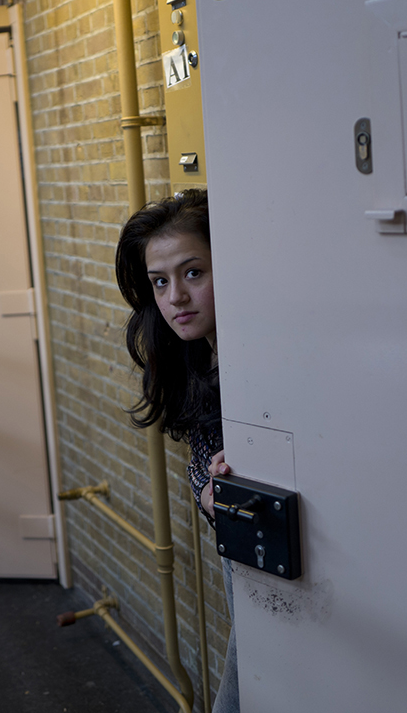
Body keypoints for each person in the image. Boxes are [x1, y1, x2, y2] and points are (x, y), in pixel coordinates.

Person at [115, 188, 239, 713]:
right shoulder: (193, 354)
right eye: (160, 282)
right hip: (240, 559)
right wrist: (212, 493)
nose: (176, 299)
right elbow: (202, 468)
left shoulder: (259, 360)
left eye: (194, 273)